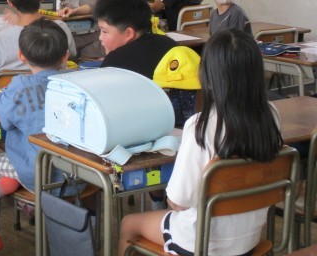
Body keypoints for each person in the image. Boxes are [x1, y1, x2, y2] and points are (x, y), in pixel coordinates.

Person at [118, 29, 283, 256]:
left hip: (199, 242)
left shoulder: (201, 127)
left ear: (208, 75)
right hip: (248, 241)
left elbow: (178, 201)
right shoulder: (271, 115)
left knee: (129, 223)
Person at [0, 19, 69, 253]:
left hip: (38, 173)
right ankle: (12, 186)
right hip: (78, 175)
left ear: (21, 56)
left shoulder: (19, 86)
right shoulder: (75, 83)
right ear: (65, 56)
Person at [95, 0, 176, 79]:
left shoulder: (115, 63)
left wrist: (110, 60)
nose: (100, 37)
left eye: (104, 31)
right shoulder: (169, 43)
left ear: (128, 34)